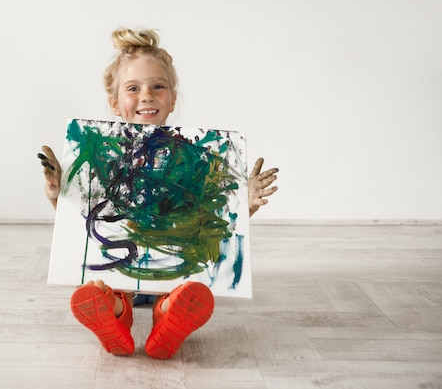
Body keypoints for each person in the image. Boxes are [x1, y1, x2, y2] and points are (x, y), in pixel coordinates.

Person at [38, 28, 279, 359]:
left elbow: (216, 222)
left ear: (172, 98)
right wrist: (57, 192)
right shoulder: (103, 157)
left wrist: (245, 201)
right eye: (133, 88)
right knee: (98, 286)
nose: (147, 95)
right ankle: (114, 316)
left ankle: (169, 318)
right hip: (120, 272)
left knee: (186, 289)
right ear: (115, 103)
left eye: (158, 87)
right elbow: (81, 219)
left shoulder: (194, 157)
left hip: (176, 269)